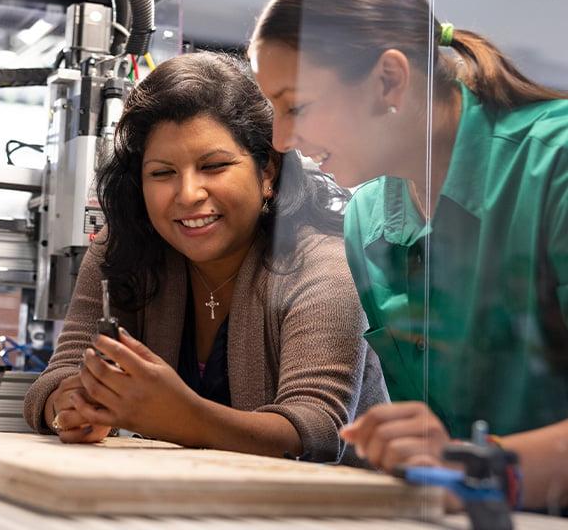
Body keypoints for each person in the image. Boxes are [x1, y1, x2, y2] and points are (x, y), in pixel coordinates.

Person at [249, 0, 568, 510]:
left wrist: (482, 465)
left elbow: (457, 459)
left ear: (389, 80)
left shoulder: (554, 166)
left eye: (296, 106)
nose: (279, 139)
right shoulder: (368, 220)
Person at [23, 52, 387, 464]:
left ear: (267, 170)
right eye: (162, 173)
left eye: (213, 166)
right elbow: (57, 376)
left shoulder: (324, 263)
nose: (188, 194)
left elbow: (317, 430)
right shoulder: (121, 248)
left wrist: (182, 417)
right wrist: (70, 406)